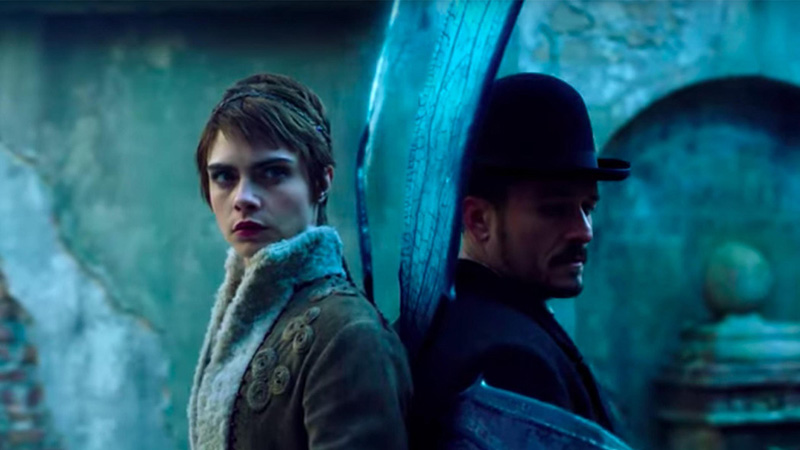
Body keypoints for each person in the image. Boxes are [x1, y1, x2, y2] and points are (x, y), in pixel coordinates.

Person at [187, 73, 412, 450]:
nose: (243, 199)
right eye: (224, 177)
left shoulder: (348, 333)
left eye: (272, 173)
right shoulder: (243, 318)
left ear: (321, 182)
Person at [410, 73, 631, 448]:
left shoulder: (444, 320)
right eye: (554, 210)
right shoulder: (509, 358)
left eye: (587, 208)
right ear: (479, 219)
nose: (584, 231)